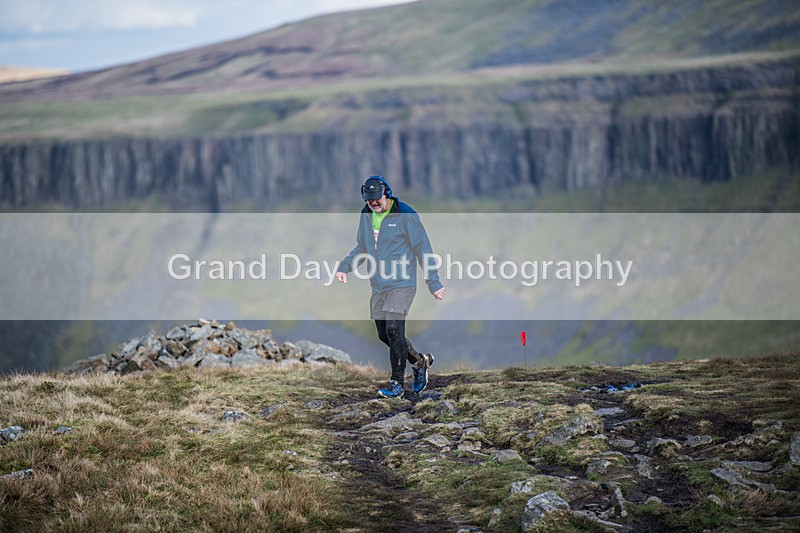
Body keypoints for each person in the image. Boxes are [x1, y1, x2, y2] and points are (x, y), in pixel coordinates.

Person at [336, 175, 445, 398]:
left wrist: (433, 282)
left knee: (395, 329)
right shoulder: (366, 215)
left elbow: (423, 249)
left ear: (386, 193)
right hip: (379, 285)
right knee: (384, 335)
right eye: (369, 200)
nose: (373, 203)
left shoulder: (405, 214)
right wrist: (344, 267)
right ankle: (419, 361)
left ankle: (396, 384)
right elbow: (362, 246)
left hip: (402, 283)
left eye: (377, 199)